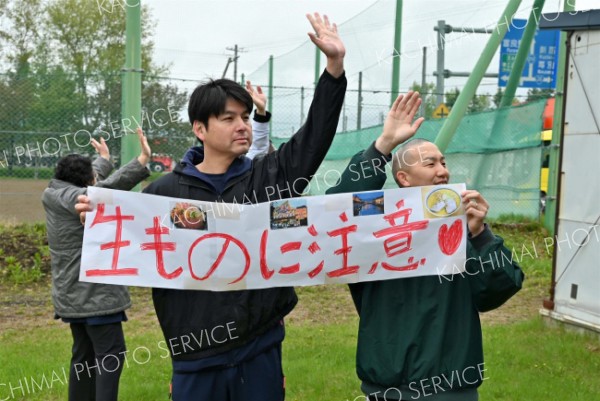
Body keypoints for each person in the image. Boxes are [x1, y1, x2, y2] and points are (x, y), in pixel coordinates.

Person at [77, 12, 346, 401]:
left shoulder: (269, 177)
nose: (243, 126)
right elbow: (125, 237)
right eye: (229, 118)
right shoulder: (163, 194)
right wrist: (97, 219)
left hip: (260, 349)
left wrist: (334, 70)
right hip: (193, 360)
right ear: (200, 129)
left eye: (245, 117)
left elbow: (315, 137)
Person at [326, 92, 524, 401]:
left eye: (444, 162)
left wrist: (480, 235)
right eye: (430, 163)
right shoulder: (373, 226)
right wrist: (383, 146)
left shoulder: (462, 228)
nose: (443, 170)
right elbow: (334, 210)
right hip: (387, 382)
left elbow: (496, 291)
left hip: (452, 386)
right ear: (403, 178)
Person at [41, 128, 151, 401]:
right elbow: (97, 191)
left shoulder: (54, 191)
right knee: (110, 354)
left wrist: (103, 159)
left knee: (84, 356)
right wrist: (140, 161)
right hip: (95, 294)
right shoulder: (75, 198)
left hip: (72, 295)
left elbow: (92, 183)